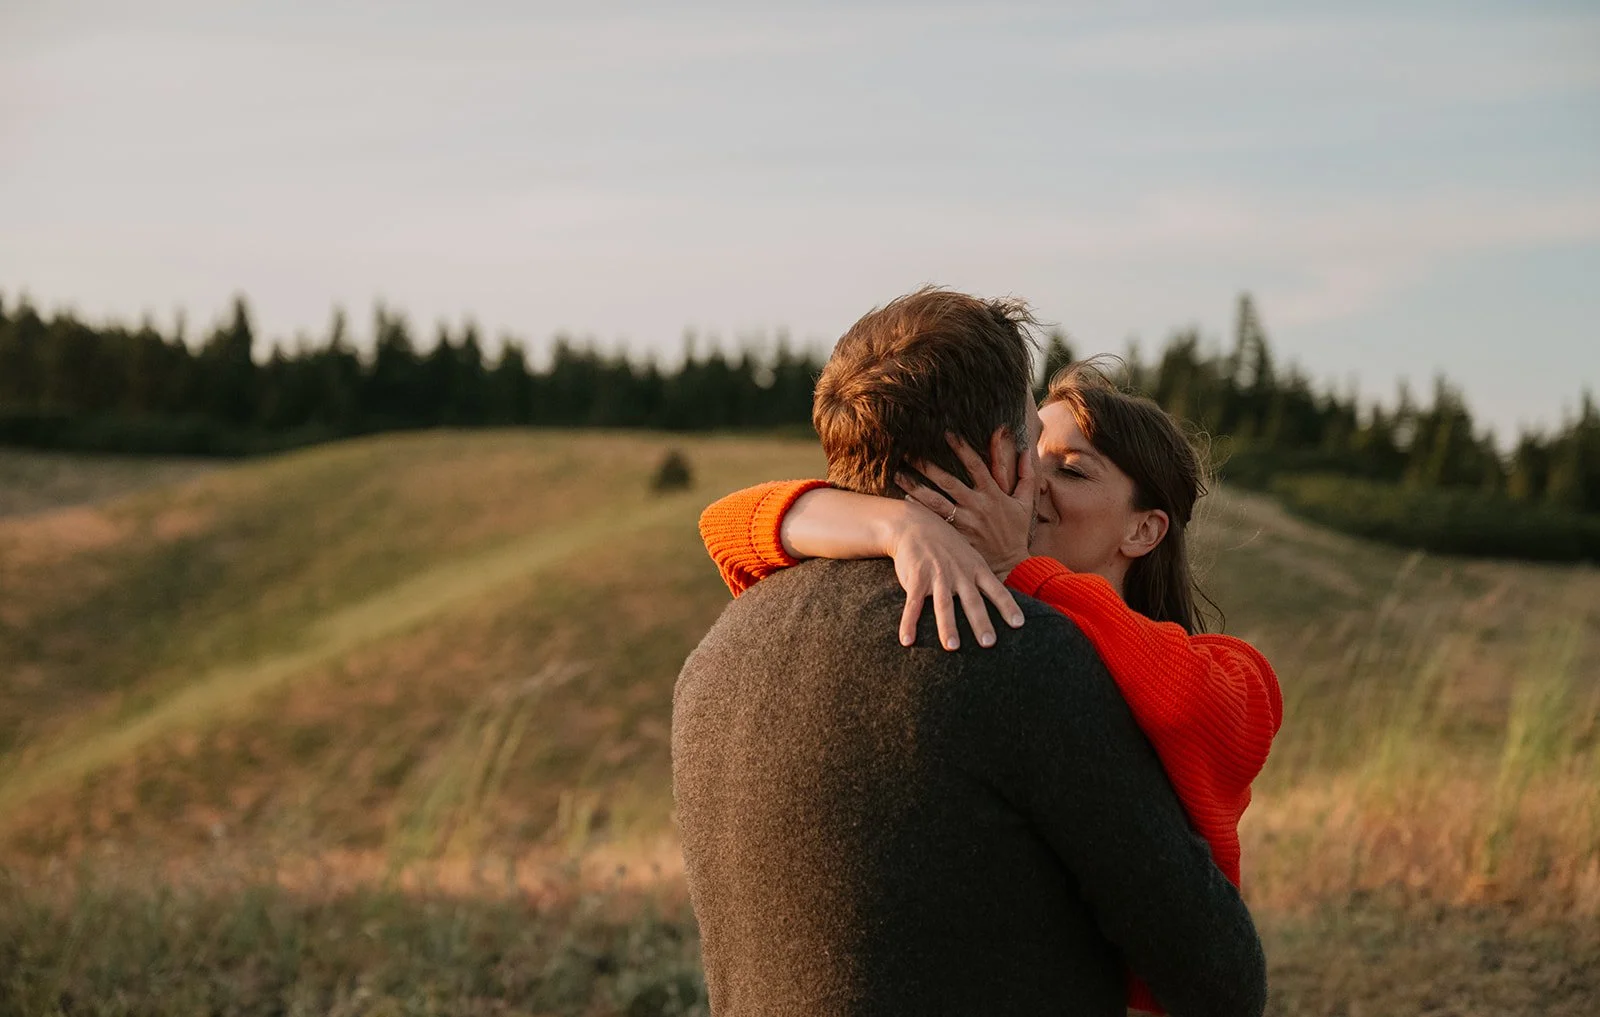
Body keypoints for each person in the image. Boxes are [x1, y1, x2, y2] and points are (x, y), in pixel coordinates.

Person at [672, 287, 1267, 1016]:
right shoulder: (1017, 655)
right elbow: (1221, 981)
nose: (1040, 480)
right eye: (1033, 446)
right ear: (1000, 453)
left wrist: (911, 529)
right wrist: (905, 528)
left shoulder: (716, 654)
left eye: (1071, 467)